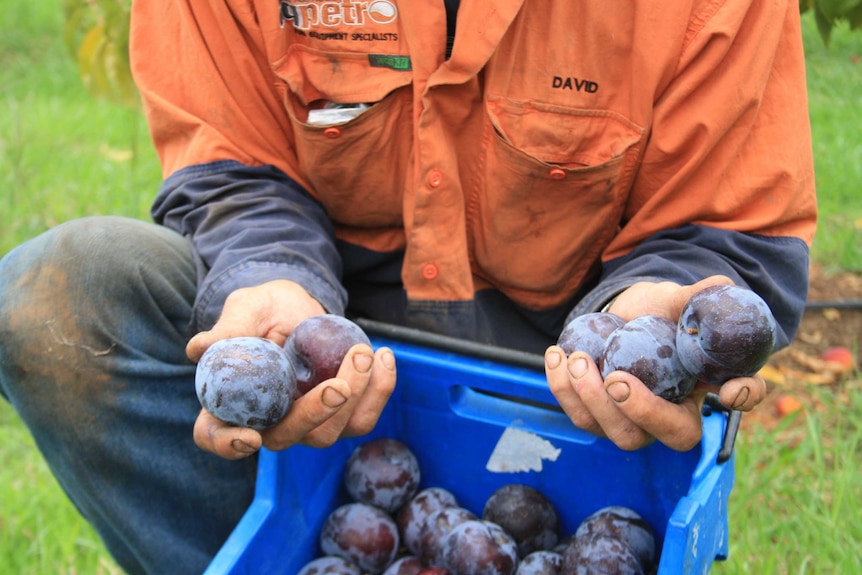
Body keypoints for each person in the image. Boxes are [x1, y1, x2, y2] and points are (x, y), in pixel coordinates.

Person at [0, 0, 817, 573]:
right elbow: (233, 165)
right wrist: (273, 281)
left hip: (567, 377)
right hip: (330, 345)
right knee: (59, 296)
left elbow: (728, 223)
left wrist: (660, 315)